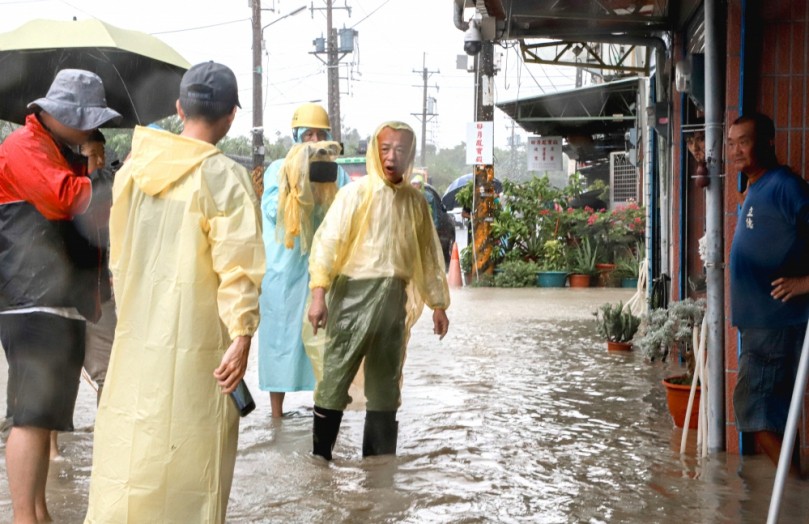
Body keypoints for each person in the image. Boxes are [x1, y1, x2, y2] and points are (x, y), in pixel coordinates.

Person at [84, 61, 265, 522]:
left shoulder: (132, 173)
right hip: (200, 347)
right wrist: (242, 335)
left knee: (133, 453)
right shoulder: (224, 176)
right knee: (195, 461)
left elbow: (119, 261)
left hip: (140, 340)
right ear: (231, 116)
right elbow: (238, 267)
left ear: (180, 108)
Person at [0, 69, 121, 524]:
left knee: (44, 415)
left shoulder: (59, 151)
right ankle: (24, 518)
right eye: (88, 121)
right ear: (63, 114)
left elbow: (93, 223)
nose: (93, 130)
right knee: (30, 416)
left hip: (59, 300)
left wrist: (94, 166)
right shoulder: (22, 148)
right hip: (32, 298)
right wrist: (108, 177)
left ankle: (38, 513)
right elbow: (65, 200)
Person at [306, 121, 450, 460]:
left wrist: (439, 305)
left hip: (393, 300)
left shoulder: (415, 202)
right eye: (385, 149)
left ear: (410, 156)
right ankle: (320, 462)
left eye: (400, 150)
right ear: (375, 151)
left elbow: (428, 255)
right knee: (335, 378)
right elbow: (327, 245)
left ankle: (379, 470)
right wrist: (318, 296)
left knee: (386, 385)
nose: (392, 156)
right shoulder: (355, 194)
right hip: (353, 297)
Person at [258, 103, 350, 418]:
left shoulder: (336, 172)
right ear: (297, 135)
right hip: (283, 272)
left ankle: (322, 408)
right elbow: (272, 210)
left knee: (324, 339)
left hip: (322, 271)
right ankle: (276, 416)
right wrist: (297, 187)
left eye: (319, 134)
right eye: (307, 134)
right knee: (279, 340)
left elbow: (348, 214)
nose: (313, 140)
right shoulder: (278, 169)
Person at [728, 112, 809, 470]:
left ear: (768, 142)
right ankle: (791, 492)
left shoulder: (785, 186)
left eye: (743, 141)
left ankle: (792, 492)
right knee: (774, 417)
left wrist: (804, 284)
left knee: (754, 415)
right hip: (761, 327)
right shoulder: (756, 185)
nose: (736, 151)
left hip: (775, 326)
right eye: (731, 143)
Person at [48, 129, 118, 462]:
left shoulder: (109, 191)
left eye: (102, 153)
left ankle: (108, 439)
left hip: (101, 295)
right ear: (75, 155)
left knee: (111, 371)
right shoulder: (58, 189)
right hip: (64, 297)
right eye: (93, 153)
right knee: (59, 373)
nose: (100, 160)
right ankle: (50, 448)